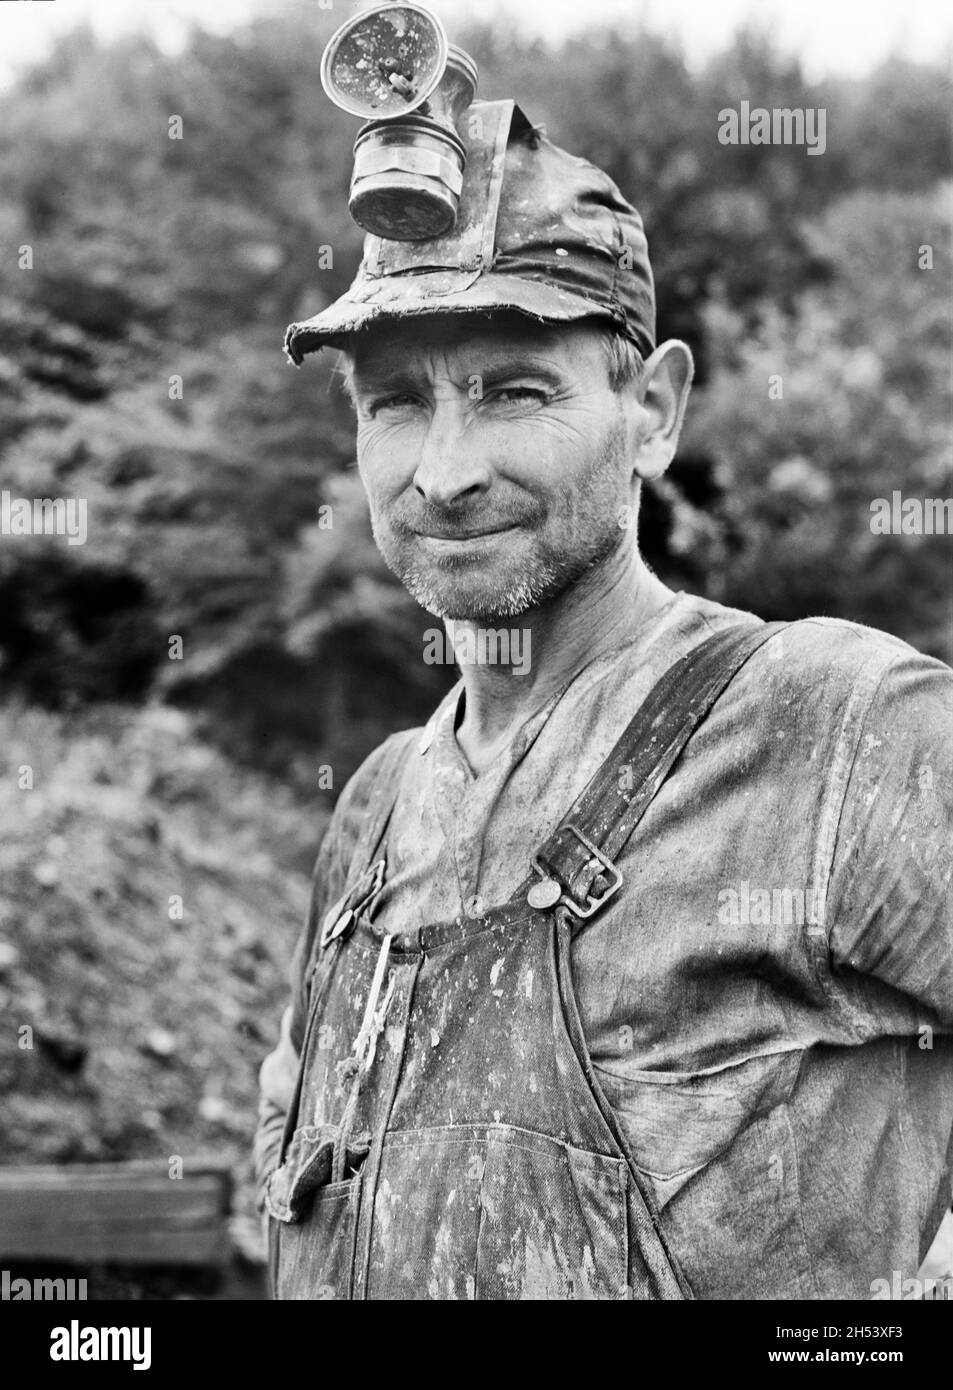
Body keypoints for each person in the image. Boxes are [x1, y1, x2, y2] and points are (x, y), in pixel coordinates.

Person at [254, 91, 953, 1301]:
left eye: (515, 390)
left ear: (654, 412)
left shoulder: (838, 728)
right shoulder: (372, 811)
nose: (446, 471)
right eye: (396, 402)